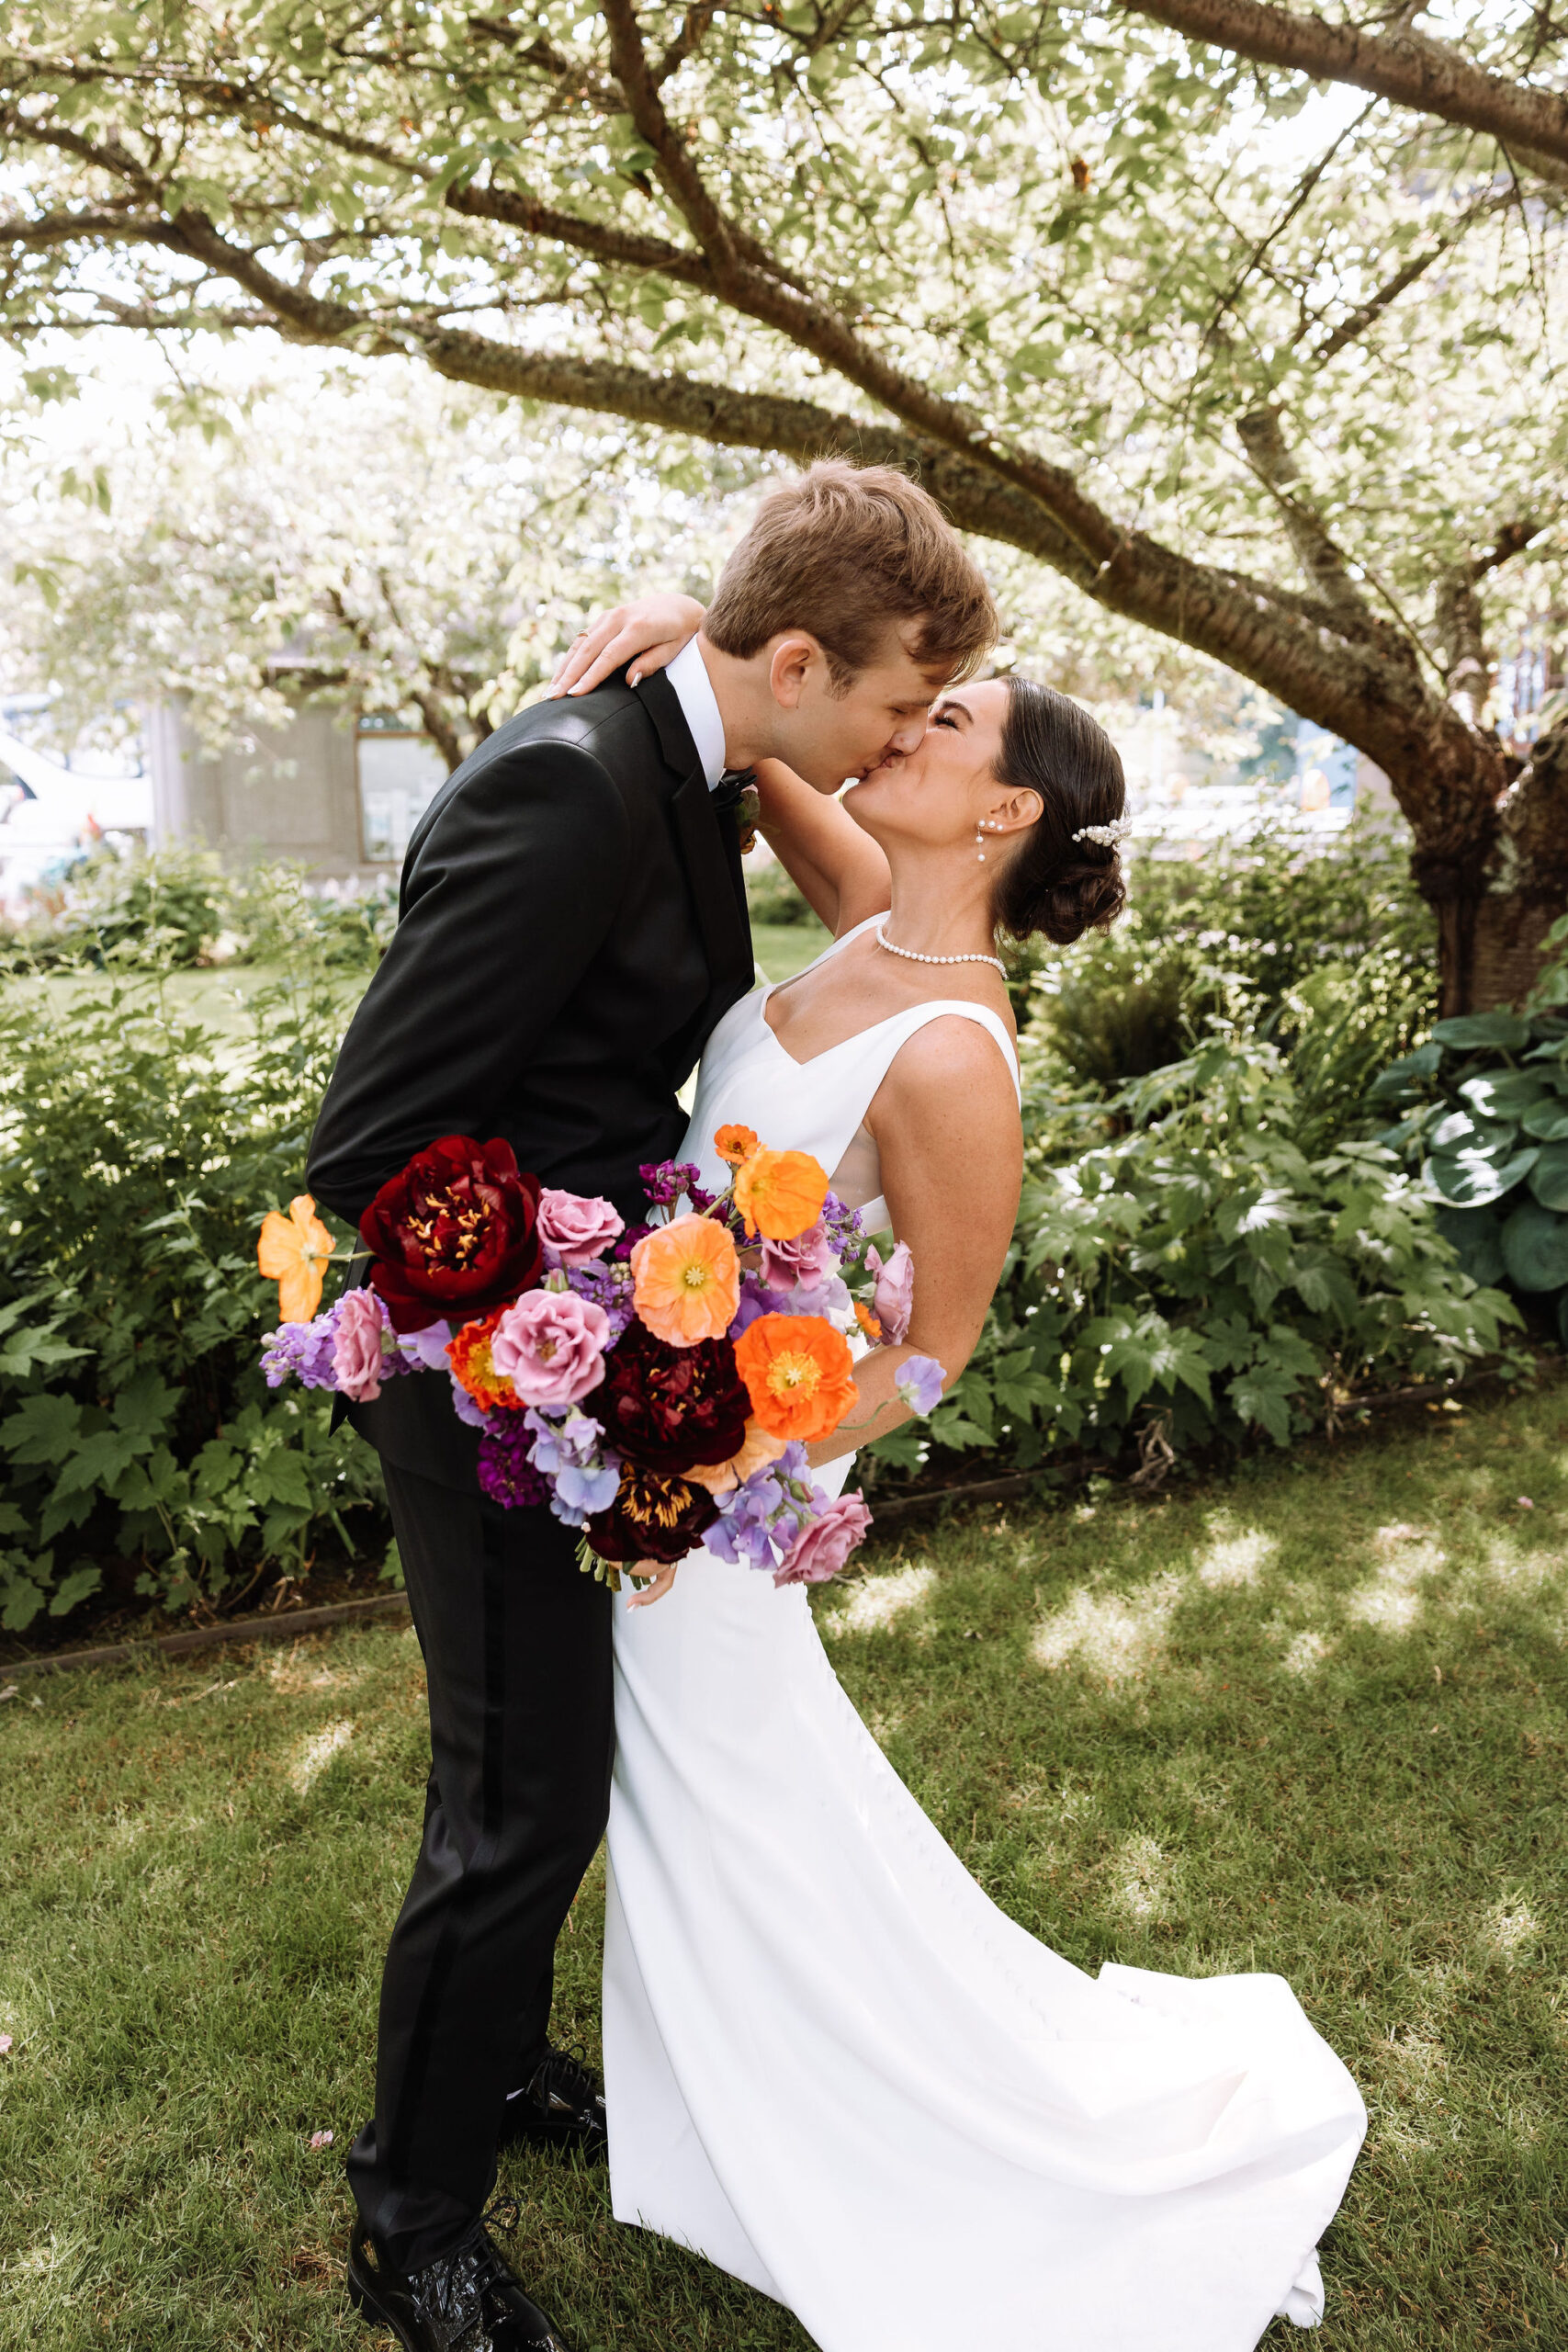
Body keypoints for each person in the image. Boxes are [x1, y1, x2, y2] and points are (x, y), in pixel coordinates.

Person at [544, 597, 1369, 2352]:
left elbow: (933, 1354)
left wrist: (731, 1448)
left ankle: (867, 2140)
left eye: (951, 720)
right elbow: (763, 721)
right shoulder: (868, 906)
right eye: (916, 705)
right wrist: (707, 623)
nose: (907, 723)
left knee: (738, 1811)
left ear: (1006, 810)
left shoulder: (949, 1054)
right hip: (654, 1425)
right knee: (719, 1804)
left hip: (721, 1492)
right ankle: (729, 2105)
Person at [303, 461, 998, 2352]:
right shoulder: (573, 781)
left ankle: (497, 2060)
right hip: (486, 1385)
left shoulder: (695, 760)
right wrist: (586, 1335)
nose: (897, 742)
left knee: (553, 1768)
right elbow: (374, 1144)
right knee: (515, 1800)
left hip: (590, 1387)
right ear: (799, 660)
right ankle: (410, 2221)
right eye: (894, 704)